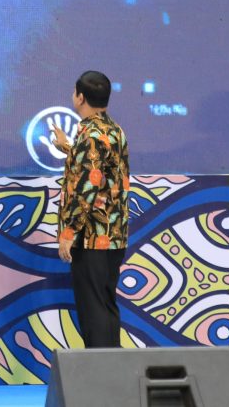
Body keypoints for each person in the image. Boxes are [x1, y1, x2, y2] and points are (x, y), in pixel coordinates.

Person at [51, 70, 130, 348]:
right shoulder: (114, 130)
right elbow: (98, 169)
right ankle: (113, 367)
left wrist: (68, 232)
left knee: (93, 311)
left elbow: (86, 190)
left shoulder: (89, 135)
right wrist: (69, 148)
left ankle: (99, 371)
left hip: (92, 237)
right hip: (114, 235)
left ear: (80, 97)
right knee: (105, 305)